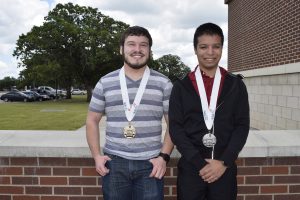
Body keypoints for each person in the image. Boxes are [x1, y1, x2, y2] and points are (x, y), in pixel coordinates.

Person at [86, 26, 174, 200]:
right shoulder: (105, 82)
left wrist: (163, 157)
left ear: (149, 50)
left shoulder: (164, 83)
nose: (137, 50)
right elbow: (91, 121)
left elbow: (174, 124)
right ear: (121, 49)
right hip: (114, 164)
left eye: (143, 45)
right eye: (131, 44)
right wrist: (96, 156)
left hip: (151, 164)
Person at [169, 22, 250, 200]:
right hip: (191, 169)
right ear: (195, 49)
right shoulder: (181, 86)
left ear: (222, 48)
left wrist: (224, 161)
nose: (210, 52)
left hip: (224, 169)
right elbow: (176, 128)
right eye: (204, 47)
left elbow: (242, 126)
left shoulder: (236, 84)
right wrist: (200, 163)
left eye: (216, 46)